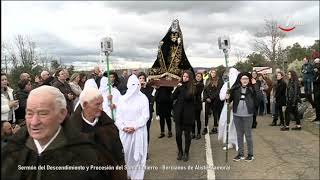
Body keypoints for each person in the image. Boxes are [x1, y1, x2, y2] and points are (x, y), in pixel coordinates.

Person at [1, 86, 113, 179]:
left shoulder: (86, 156)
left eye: (43, 113)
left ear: (62, 114)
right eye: (29, 113)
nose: (34, 122)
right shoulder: (12, 151)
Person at [69, 87, 127, 179]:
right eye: (97, 104)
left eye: (102, 103)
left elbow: (118, 154)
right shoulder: (71, 130)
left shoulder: (109, 125)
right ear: (85, 104)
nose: (101, 108)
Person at [115, 75, 149, 180]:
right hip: (125, 132)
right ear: (128, 85)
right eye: (132, 84)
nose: (135, 87)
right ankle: (127, 175)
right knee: (126, 155)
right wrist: (123, 127)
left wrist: (134, 126)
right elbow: (118, 116)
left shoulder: (143, 98)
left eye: (137, 84)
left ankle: (138, 177)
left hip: (138, 131)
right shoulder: (122, 99)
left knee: (138, 157)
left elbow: (145, 116)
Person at [148, 19, 194, 86]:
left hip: (176, 54)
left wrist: (179, 42)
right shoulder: (169, 33)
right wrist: (162, 44)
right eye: (173, 23)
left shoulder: (179, 33)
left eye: (176, 24)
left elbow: (180, 44)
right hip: (169, 53)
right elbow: (165, 39)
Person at [226, 72, 258, 162]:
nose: (245, 80)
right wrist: (227, 97)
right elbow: (228, 100)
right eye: (243, 79)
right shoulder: (235, 89)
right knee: (239, 135)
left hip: (248, 115)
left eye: (247, 79)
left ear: (249, 80)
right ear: (240, 80)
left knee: (248, 135)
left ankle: (250, 154)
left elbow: (258, 98)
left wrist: (255, 85)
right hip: (237, 115)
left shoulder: (252, 89)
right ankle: (240, 154)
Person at [172, 70, 195, 162]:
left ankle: (186, 152)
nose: (184, 78)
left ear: (190, 78)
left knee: (187, 135)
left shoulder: (193, 87)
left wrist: (181, 88)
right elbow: (172, 97)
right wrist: (176, 88)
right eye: (183, 76)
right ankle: (180, 151)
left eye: (186, 77)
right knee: (178, 135)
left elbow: (187, 97)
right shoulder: (179, 86)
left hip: (188, 115)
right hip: (178, 114)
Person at [218, 68, 240, 151]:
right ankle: (229, 142)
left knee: (236, 125)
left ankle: (238, 143)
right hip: (227, 107)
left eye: (233, 73)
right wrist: (226, 94)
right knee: (226, 125)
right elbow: (221, 97)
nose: (232, 75)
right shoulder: (226, 84)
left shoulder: (239, 85)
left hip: (237, 108)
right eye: (230, 73)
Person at [138, 72, 155, 159]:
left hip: (147, 114)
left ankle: (145, 151)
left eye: (143, 78)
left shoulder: (149, 89)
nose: (141, 80)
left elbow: (151, 99)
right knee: (138, 133)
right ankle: (138, 151)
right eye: (140, 78)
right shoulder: (135, 88)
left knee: (146, 132)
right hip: (137, 115)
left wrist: (145, 88)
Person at [202, 68, 224, 135]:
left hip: (215, 100)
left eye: (214, 72)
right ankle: (205, 127)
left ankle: (215, 127)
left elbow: (219, 91)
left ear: (216, 73)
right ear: (210, 73)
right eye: (212, 72)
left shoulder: (220, 81)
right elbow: (205, 90)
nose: (213, 74)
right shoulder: (208, 80)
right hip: (207, 100)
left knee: (215, 114)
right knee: (206, 114)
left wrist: (211, 98)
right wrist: (206, 98)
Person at [192, 72, 204, 139]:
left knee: (198, 119)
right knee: (192, 119)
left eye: (200, 77)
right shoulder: (193, 83)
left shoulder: (201, 84)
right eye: (197, 76)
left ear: (201, 78)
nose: (198, 78)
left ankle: (198, 133)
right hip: (192, 103)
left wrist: (192, 86)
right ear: (195, 77)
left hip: (198, 104)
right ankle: (193, 133)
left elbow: (196, 92)